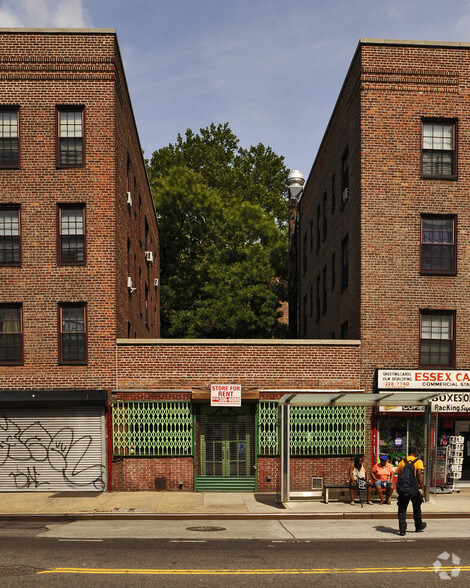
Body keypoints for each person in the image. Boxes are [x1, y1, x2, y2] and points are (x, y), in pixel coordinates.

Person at [396, 446, 426, 536]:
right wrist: (422, 488)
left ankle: (402, 529)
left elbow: (399, 474)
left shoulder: (403, 461)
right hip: (414, 488)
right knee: (416, 507)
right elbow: (419, 474)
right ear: (416, 453)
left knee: (402, 509)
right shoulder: (418, 461)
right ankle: (418, 525)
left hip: (404, 488)